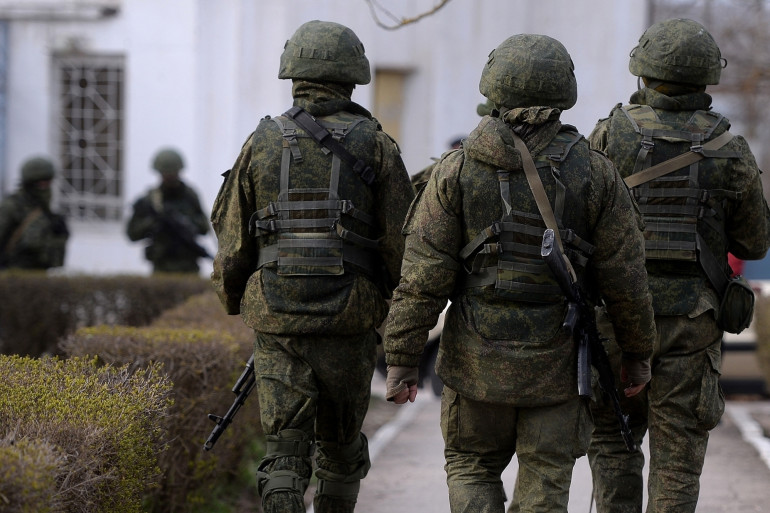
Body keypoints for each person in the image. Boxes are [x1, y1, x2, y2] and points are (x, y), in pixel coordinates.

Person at [383, 33, 656, 513]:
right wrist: (636, 355)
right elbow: (626, 281)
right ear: (564, 89)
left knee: (471, 467)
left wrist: (402, 358)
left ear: (494, 84)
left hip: (474, 362)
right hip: (557, 366)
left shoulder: (455, 169)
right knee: (546, 480)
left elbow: (421, 278)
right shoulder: (596, 173)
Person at [210, 20, 414, 513]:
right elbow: (403, 242)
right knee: (341, 450)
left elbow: (232, 236)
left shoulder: (261, 141)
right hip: (349, 317)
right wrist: (392, 300)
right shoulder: (377, 145)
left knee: (284, 450)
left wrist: (236, 297)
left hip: (278, 315)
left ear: (293, 74)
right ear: (353, 77)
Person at [586, 18, 770, 513]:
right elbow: (754, 243)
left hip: (615, 318)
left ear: (643, 72)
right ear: (707, 76)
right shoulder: (730, 149)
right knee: (678, 462)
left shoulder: (608, 136)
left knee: (613, 443)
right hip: (692, 324)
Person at [126, 148, 211, 274]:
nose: (170, 176)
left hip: (188, 266)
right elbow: (132, 234)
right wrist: (154, 223)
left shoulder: (190, 196)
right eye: (166, 173)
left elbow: (204, 227)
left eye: (173, 172)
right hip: (161, 266)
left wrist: (188, 223)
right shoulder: (150, 200)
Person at [0, 156, 69, 270]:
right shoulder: (12, 207)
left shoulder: (45, 212)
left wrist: (60, 236)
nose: (45, 188)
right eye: (41, 184)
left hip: (37, 276)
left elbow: (53, 258)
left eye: (48, 183)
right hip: (10, 274)